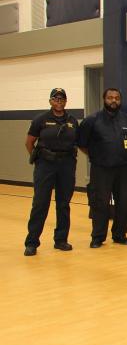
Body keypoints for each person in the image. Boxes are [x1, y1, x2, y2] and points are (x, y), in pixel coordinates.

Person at [78, 88, 127, 248]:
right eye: (110, 98)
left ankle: (119, 235)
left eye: (117, 98)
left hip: (124, 169)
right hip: (101, 169)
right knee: (100, 203)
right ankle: (98, 237)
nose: (114, 101)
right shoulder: (92, 120)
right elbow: (82, 144)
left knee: (124, 202)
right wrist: (97, 155)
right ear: (104, 99)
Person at [23, 88, 79, 256]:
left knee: (63, 204)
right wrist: (39, 158)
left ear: (66, 101)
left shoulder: (72, 121)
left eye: (62, 98)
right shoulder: (41, 119)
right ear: (50, 101)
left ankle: (61, 240)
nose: (59, 101)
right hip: (46, 165)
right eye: (56, 98)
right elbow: (29, 142)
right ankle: (32, 242)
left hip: (66, 165)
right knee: (40, 203)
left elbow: (77, 141)